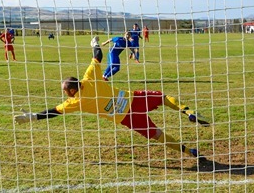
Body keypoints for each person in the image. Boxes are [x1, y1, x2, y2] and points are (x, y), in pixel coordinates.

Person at [14, 43, 210, 161]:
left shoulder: (76, 102)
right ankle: (188, 112)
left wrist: (32, 117)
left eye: (66, 92)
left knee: (158, 134)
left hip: (125, 118)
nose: (66, 95)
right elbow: (97, 56)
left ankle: (190, 152)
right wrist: (95, 43)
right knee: (163, 98)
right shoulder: (89, 76)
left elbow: (53, 112)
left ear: (73, 90)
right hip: (133, 100)